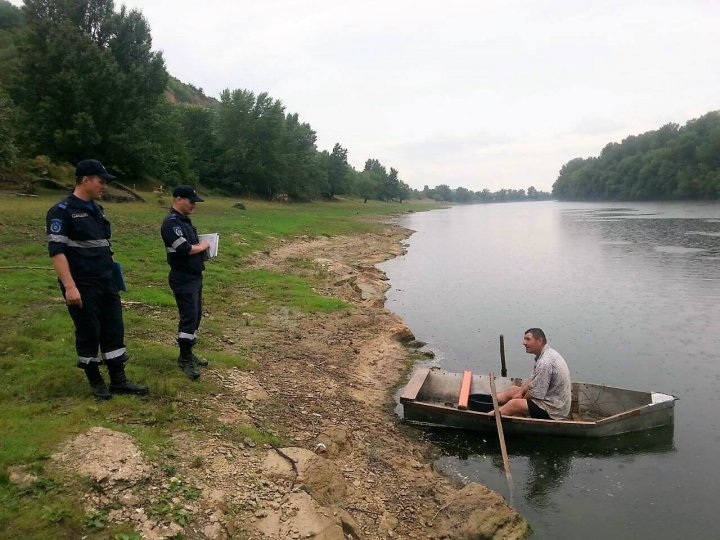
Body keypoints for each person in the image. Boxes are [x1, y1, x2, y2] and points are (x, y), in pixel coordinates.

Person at [46, 159, 148, 399]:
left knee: (114, 329)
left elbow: (104, 246)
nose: (104, 186)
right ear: (85, 180)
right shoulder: (62, 211)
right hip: (82, 284)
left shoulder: (97, 210)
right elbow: (57, 252)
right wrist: (70, 287)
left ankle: (119, 380)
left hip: (106, 281)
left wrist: (115, 275)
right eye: (101, 181)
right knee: (89, 331)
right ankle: (95, 380)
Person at [160, 185, 210, 380]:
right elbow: (185, 248)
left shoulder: (185, 222)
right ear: (178, 199)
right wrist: (204, 245)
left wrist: (204, 252)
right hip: (182, 277)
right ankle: (184, 358)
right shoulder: (171, 223)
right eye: (191, 201)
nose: (193, 206)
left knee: (196, 315)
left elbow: (192, 247)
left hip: (194, 274)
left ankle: (189, 352)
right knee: (189, 316)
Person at [494, 328, 571, 420]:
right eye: (524, 339)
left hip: (553, 410)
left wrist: (518, 400)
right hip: (550, 398)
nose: (524, 343)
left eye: (528, 339)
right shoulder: (545, 354)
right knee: (513, 390)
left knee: (513, 404)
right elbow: (533, 380)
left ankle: (489, 417)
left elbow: (535, 394)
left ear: (539, 341)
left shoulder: (545, 362)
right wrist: (520, 392)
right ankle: (488, 402)